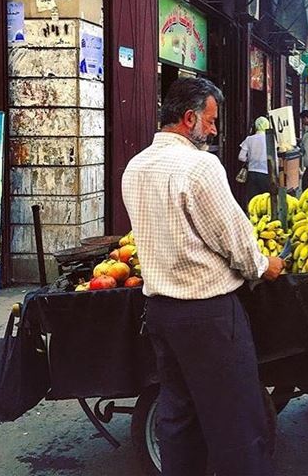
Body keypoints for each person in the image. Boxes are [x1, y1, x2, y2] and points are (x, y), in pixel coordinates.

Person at [121, 77, 284, 476]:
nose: (213, 130)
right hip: (208, 315)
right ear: (189, 118)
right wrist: (266, 266)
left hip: (160, 312)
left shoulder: (135, 166)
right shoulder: (199, 166)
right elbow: (236, 240)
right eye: (210, 121)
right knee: (238, 424)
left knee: (179, 419)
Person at [239, 116, 270, 205]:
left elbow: (241, 157)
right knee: (265, 200)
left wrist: (250, 160)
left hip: (252, 173)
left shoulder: (249, 139)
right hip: (266, 173)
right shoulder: (270, 139)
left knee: (253, 201)